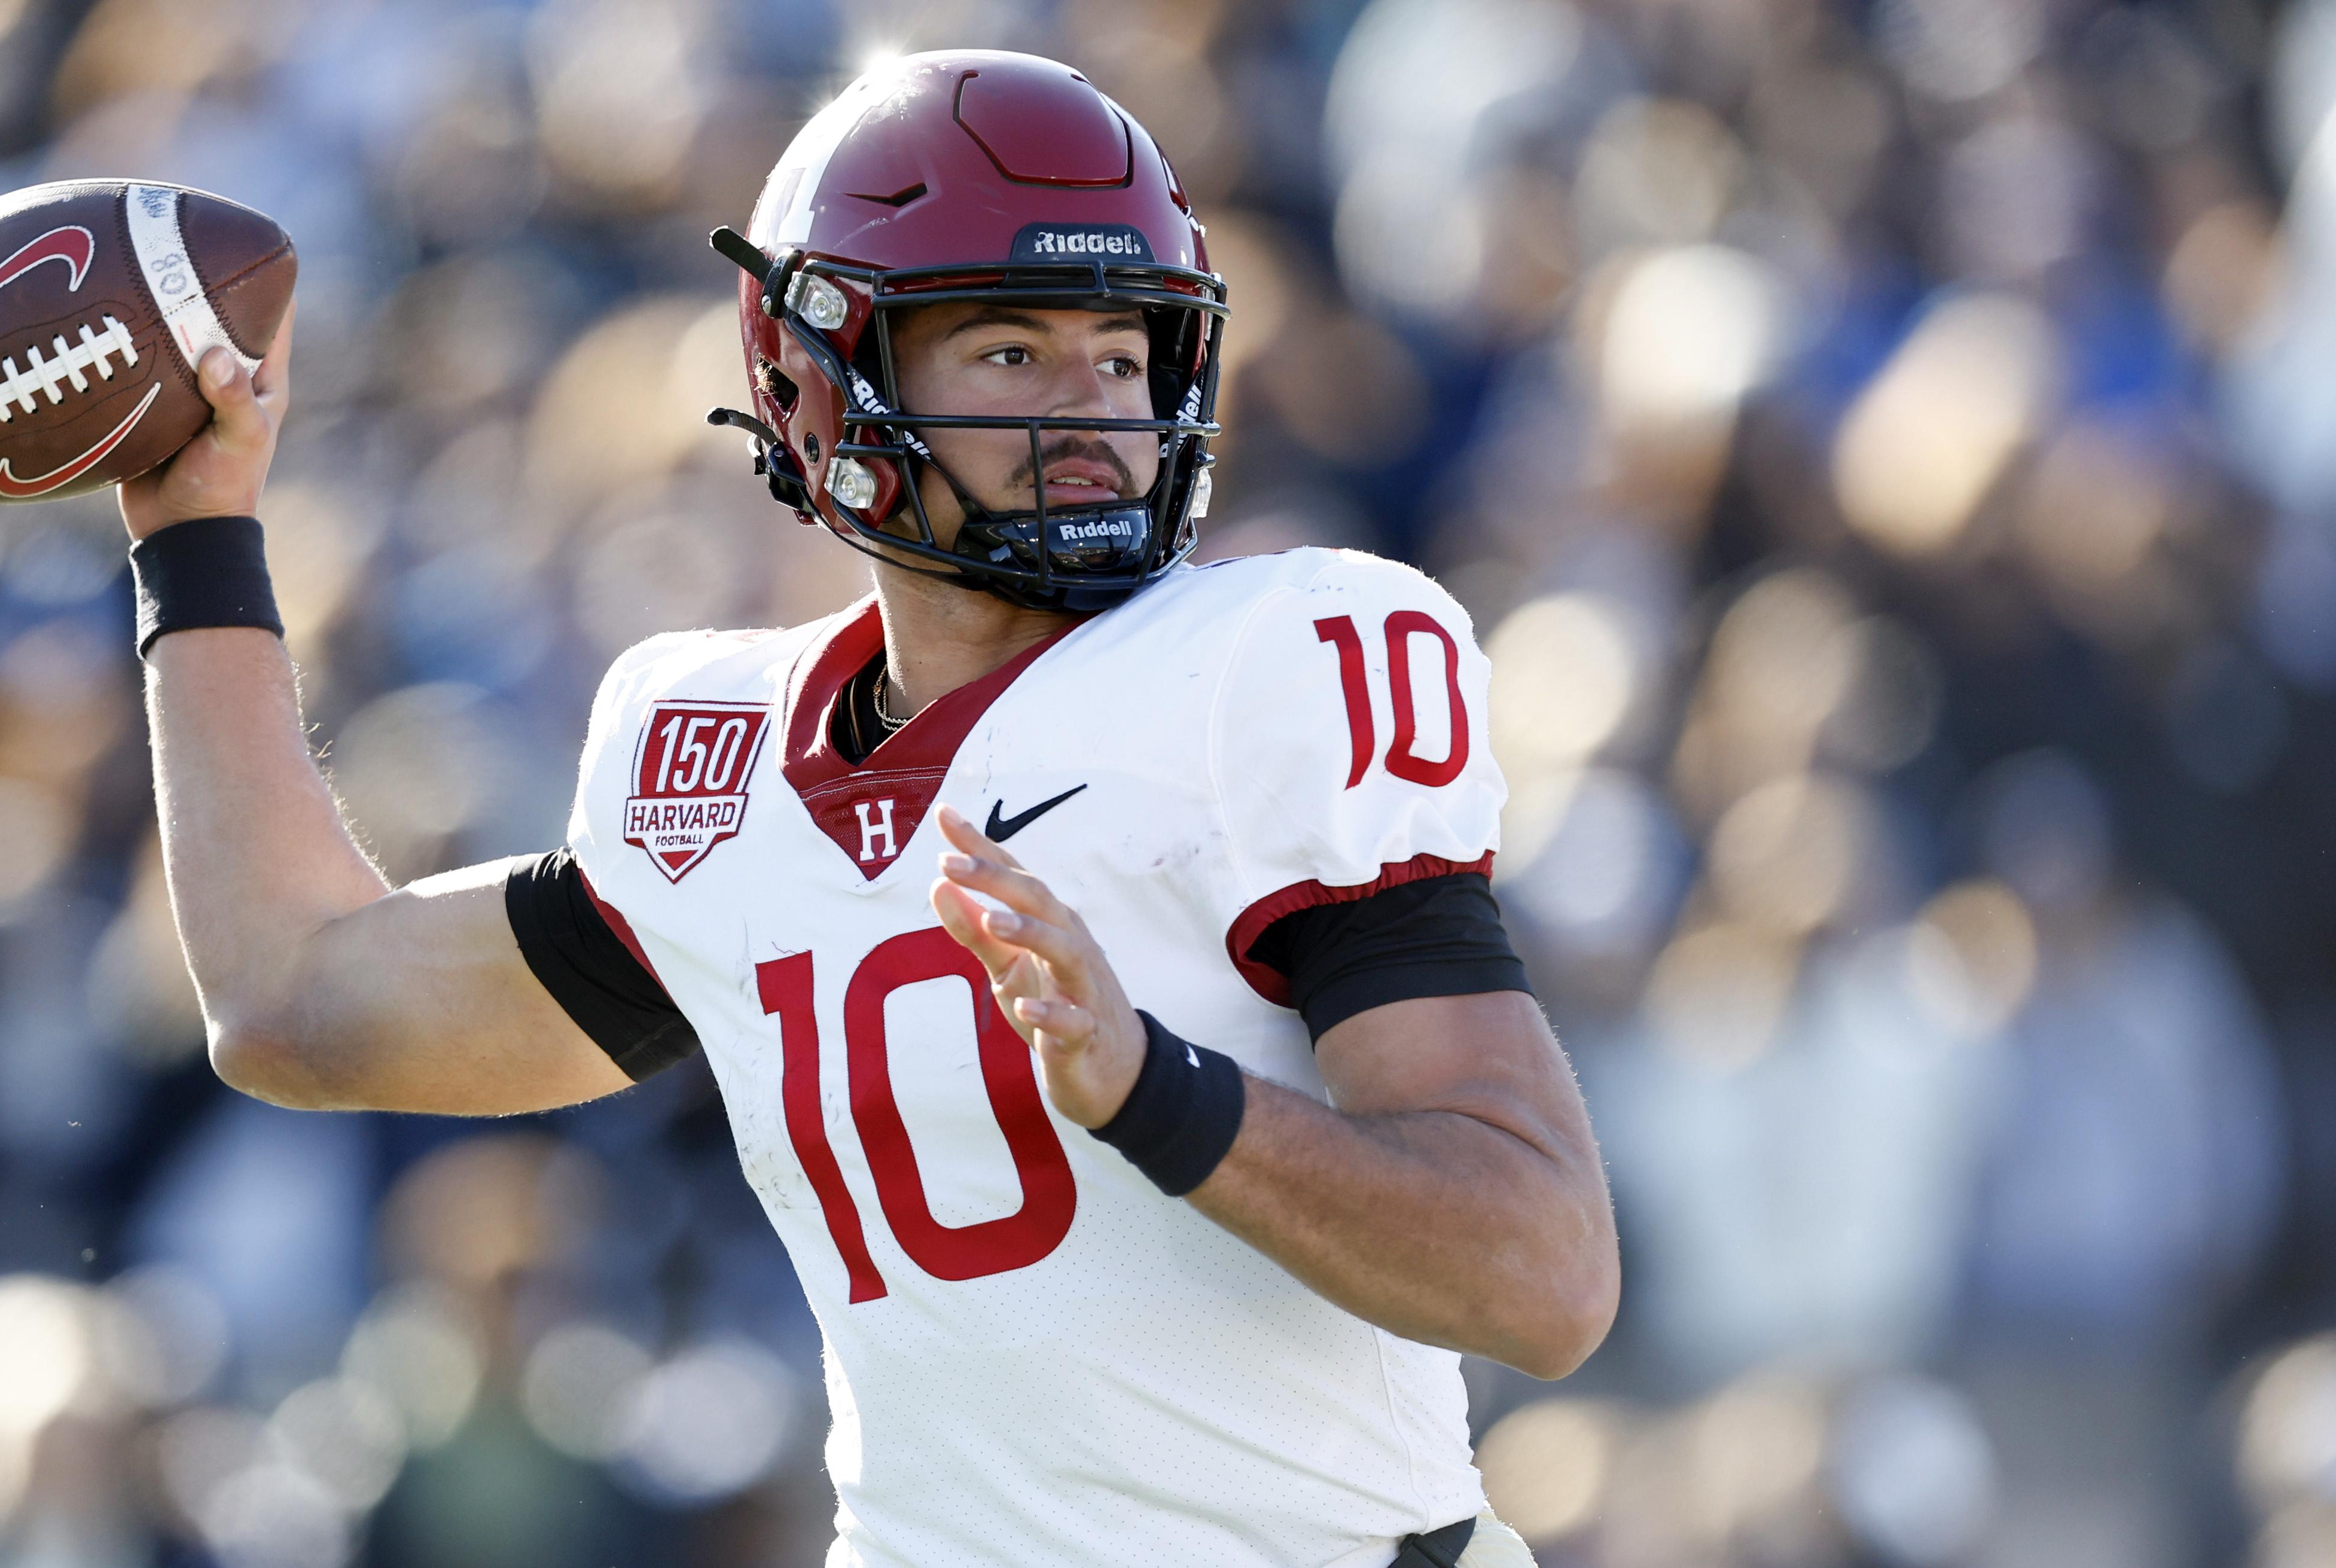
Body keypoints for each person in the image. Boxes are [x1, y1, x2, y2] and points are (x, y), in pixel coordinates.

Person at [120, 50, 1615, 1568]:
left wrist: (1152, 1088)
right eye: (1012, 354)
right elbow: (293, 1005)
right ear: (814, 378)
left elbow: (1537, 1277)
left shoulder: (1268, 664)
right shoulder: (709, 755)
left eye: (1120, 350)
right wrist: (197, 536)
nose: (1093, 409)